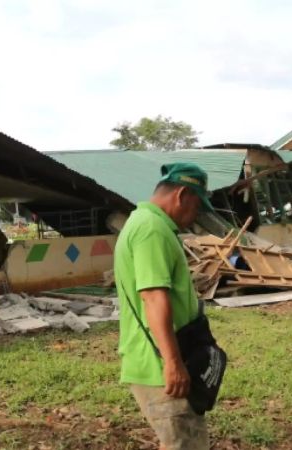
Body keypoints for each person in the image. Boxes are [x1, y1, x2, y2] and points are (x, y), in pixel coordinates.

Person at [114, 162, 215, 450]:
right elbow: (153, 296)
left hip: (160, 358)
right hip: (159, 362)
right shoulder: (151, 230)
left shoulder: (146, 223)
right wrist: (173, 363)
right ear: (182, 194)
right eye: (197, 207)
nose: (195, 217)